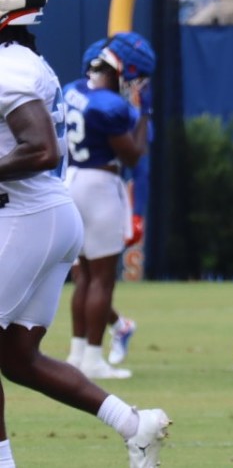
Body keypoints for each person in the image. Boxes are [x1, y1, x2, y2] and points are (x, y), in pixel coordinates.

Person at [0, 0, 169, 467]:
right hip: (48, 214)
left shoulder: (8, 66)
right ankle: (133, 424)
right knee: (18, 359)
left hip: (27, 217)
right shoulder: (20, 60)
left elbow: (42, 149)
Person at [63, 33, 154, 380]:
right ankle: (93, 357)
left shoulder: (74, 88)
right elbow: (131, 155)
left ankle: (76, 353)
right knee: (102, 278)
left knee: (83, 275)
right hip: (99, 185)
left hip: (71, 180)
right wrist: (145, 114)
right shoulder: (110, 106)